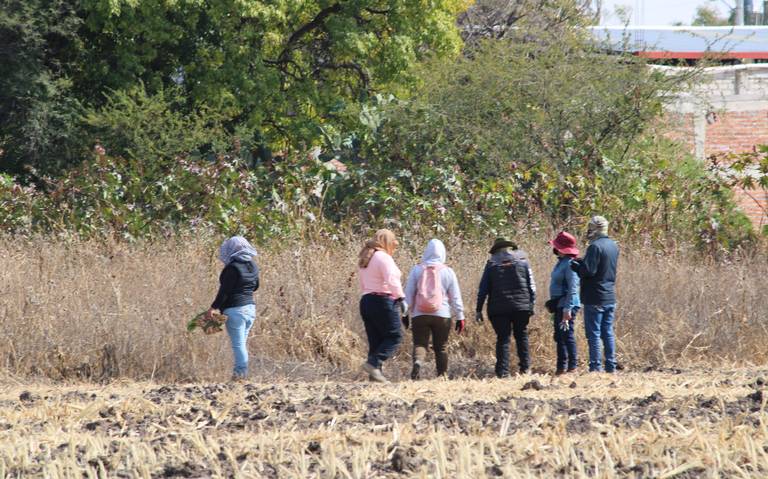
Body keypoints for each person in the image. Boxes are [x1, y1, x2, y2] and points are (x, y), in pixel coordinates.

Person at [404, 239, 465, 380]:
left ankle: (418, 362)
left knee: (420, 344)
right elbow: (456, 297)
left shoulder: (417, 270)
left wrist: (405, 313)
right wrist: (460, 316)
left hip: (420, 314)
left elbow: (408, 294)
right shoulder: (448, 272)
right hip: (442, 314)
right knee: (441, 347)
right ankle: (442, 376)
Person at [476, 237, 536, 377]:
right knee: (522, 336)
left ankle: (502, 372)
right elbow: (532, 286)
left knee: (503, 338)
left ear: (495, 250)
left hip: (498, 308)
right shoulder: (523, 262)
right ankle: (525, 369)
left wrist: (478, 309)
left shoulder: (491, 264)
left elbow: (483, 289)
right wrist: (531, 304)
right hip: (522, 306)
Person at [206, 236, 260, 381]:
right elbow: (255, 286)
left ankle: (240, 375)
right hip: (250, 310)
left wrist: (213, 308)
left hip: (235, 311)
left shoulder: (232, 268)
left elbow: (224, 292)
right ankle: (241, 373)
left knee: (238, 345)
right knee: (242, 343)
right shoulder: (253, 265)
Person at [571, 216, 619, 373]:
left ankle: (595, 367)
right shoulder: (613, 245)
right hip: (609, 295)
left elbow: (588, 271)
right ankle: (611, 366)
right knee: (608, 332)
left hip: (595, 296)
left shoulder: (594, 247)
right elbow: (601, 267)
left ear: (594, 229)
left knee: (594, 333)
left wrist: (576, 266)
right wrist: (583, 262)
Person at [358, 229, 407, 383]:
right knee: (395, 336)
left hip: (366, 301)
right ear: (387, 242)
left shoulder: (367, 257)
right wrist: (401, 298)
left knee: (376, 340)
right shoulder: (383, 257)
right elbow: (392, 280)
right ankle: (373, 364)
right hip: (383, 300)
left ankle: (375, 377)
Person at [547, 231, 581, 375]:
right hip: (559, 304)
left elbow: (573, 288)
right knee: (559, 336)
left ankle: (572, 367)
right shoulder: (561, 262)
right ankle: (561, 367)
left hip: (567, 304)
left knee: (566, 335)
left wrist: (568, 308)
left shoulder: (570, 264)